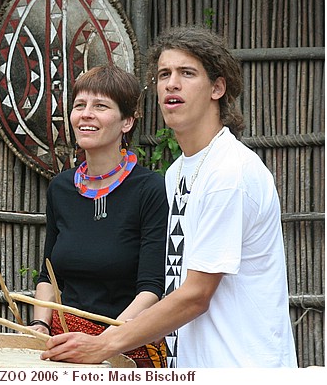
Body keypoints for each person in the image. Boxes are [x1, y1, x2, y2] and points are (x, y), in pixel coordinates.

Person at [42, 25, 298, 367]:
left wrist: (104, 345)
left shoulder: (228, 172)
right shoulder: (178, 172)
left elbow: (195, 296)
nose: (171, 84)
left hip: (242, 366)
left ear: (217, 87)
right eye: (164, 74)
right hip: (196, 365)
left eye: (187, 73)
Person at [28, 64, 169, 368]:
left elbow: (152, 289)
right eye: (80, 105)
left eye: (101, 106)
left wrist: (104, 342)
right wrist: (39, 325)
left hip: (128, 345)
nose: (86, 114)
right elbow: (48, 275)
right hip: (65, 344)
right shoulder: (61, 188)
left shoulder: (150, 189)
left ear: (127, 122)